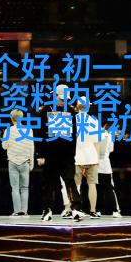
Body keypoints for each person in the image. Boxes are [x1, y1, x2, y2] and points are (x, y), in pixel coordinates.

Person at [36, 84, 84, 222]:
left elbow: (74, 134)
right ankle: (47, 209)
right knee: (48, 183)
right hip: (50, 154)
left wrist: (73, 154)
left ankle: (76, 209)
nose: (63, 101)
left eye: (65, 99)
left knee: (70, 181)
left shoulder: (71, 111)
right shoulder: (45, 111)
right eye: (61, 98)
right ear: (54, 96)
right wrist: (40, 154)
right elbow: (40, 133)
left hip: (66, 154)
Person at [2, 109, 34, 217]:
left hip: (12, 161)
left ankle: (16, 211)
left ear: (12, 118)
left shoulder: (8, 130)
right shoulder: (29, 130)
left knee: (15, 188)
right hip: (25, 161)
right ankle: (24, 211)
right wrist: (32, 163)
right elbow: (31, 147)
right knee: (25, 188)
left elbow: (4, 146)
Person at [74, 96, 101, 219]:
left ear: (77, 106)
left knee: (76, 185)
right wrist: (97, 159)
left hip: (76, 157)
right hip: (92, 157)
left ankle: (75, 209)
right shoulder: (94, 121)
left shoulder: (73, 120)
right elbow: (97, 142)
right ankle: (93, 211)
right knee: (92, 184)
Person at [98, 124, 122, 218]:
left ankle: (97, 210)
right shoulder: (109, 136)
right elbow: (111, 150)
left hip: (95, 165)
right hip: (105, 166)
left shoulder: (95, 134)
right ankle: (115, 210)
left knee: (97, 189)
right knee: (109, 188)